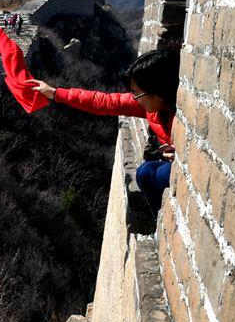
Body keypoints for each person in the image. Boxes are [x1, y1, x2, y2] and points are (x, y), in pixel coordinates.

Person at [27, 49, 180, 214]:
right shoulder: (151, 107)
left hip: (183, 168)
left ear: (157, 93)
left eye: (137, 93)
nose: (134, 98)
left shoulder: (182, 116)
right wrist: (55, 93)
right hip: (169, 162)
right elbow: (104, 102)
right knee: (145, 172)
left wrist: (178, 155)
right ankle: (159, 216)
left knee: (150, 174)